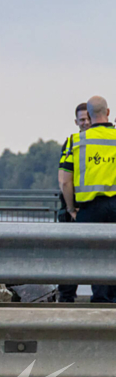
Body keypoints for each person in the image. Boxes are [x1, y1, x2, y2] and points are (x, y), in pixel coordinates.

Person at [59, 95, 116, 303]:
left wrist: (71, 208)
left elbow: (65, 182)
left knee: (88, 255)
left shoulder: (76, 141)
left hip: (90, 208)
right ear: (108, 112)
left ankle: (94, 300)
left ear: (89, 117)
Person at [56, 102, 91, 302]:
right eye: (82, 120)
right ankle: (66, 298)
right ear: (76, 122)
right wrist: (70, 208)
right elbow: (63, 179)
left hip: (88, 205)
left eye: (88, 118)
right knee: (70, 255)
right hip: (73, 207)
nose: (85, 123)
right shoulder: (72, 142)